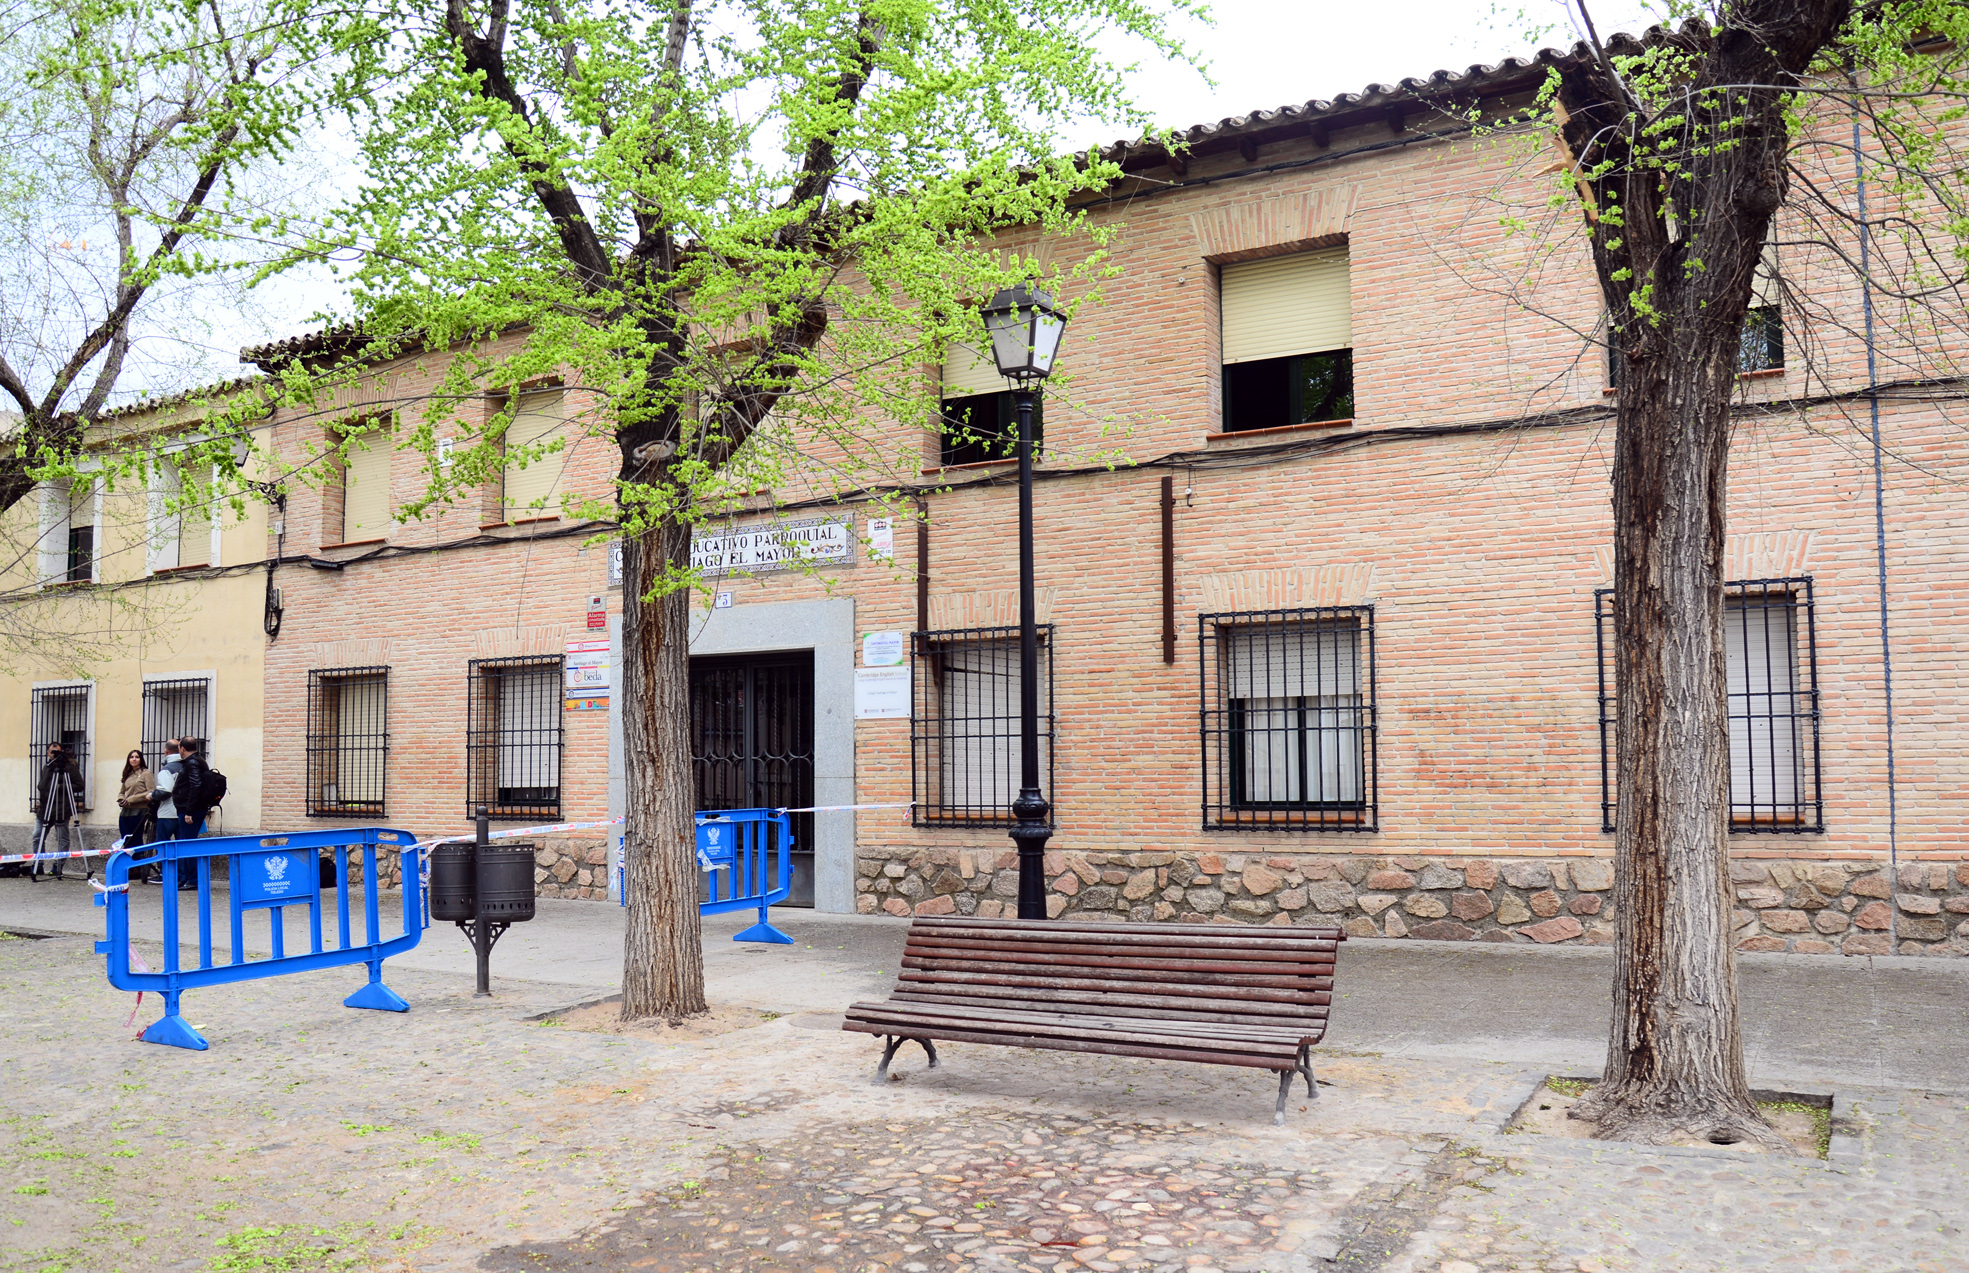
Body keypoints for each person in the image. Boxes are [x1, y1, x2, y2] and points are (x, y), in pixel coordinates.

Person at [30, 743, 81, 882]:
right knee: (37, 836)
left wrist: (61, 786)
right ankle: (38, 864)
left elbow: (80, 785)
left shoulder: (69, 768)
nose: (54, 755)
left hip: (61, 809)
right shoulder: (47, 767)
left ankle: (58, 866)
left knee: (62, 839)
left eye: (57, 752)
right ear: (48, 753)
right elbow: (41, 786)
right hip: (45, 809)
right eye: (52, 752)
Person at [149, 740, 193, 890]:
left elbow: (165, 791)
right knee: (181, 845)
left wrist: (151, 795)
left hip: (167, 813)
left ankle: (166, 874)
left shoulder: (166, 770)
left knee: (162, 844)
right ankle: (182, 876)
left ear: (166, 752)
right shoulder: (187, 766)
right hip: (183, 812)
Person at [116, 749, 156, 882]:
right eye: (131, 757)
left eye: (136, 757)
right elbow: (122, 791)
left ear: (141, 759)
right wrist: (121, 798)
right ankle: (129, 867)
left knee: (136, 838)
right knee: (125, 838)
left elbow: (151, 792)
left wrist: (132, 799)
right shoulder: (128, 774)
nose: (134, 759)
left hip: (139, 809)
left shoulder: (146, 773)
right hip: (126, 810)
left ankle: (138, 868)